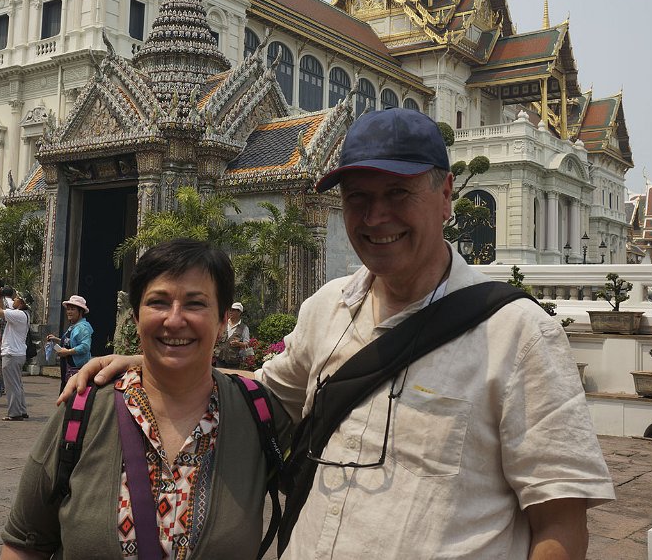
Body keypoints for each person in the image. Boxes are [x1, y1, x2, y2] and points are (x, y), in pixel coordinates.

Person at [67, 108, 616, 559]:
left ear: (447, 194)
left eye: (397, 194)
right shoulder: (328, 308)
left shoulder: (519, 334)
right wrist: (157, 364)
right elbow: (260, 396)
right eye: (357, 198)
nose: (375, 217)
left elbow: (560, 525)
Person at [0, 239, 291, 559]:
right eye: (158, 302)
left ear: (223, 320)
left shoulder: (257, 415)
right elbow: (24, 543)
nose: (174, 319)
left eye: (195, 304)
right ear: (136, 317)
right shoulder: (84, 412)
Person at [0, 288, 30, 421]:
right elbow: (2, 309)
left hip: (12, 353)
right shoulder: (22, 314)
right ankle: (21, 410)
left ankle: (15, 413)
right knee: (17, 384)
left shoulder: (18, 315)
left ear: (22, 302)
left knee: (11, 385)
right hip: (18, 353)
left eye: (17, 298)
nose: (14, 299)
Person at [45, 294, 92, 391]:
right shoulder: (73, 326)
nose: (69, 312)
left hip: (75, 371)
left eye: (72, 309)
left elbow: (85, 347)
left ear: (81, 311)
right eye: (68, 309)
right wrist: (56, 339)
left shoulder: (82, 328)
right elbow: (71, 342)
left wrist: (67, 352)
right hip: (67, 370)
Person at [214, 301, 250, 367]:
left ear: (239, 312)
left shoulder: (244, 328)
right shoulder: (223, 323)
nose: (230, 311)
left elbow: (247, 344)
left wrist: (239, 344)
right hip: (219, 359)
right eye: (230, 309)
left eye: (233, 310)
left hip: (233, 362)